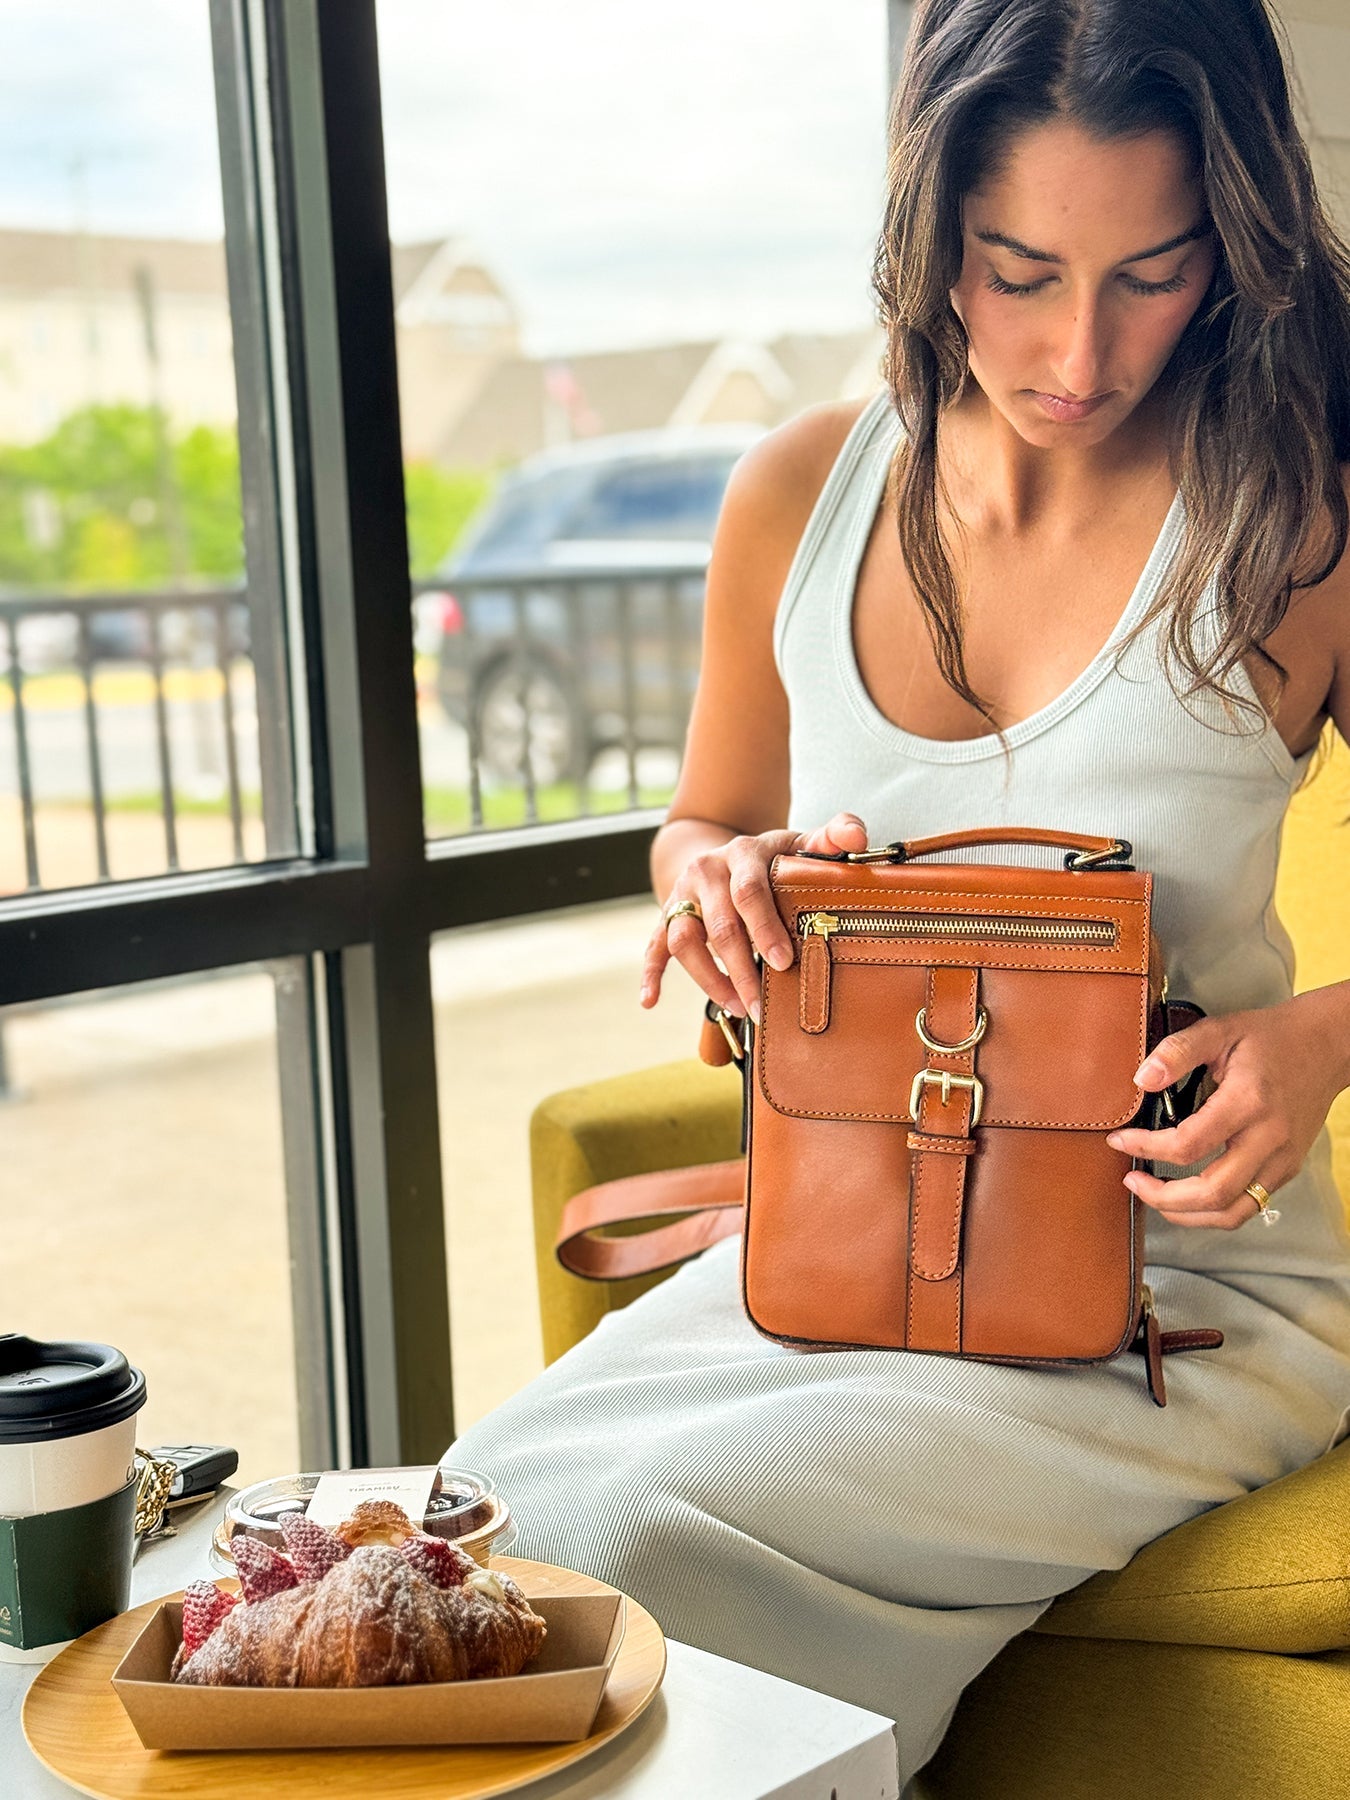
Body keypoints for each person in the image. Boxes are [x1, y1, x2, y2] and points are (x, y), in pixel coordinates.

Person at [448, 0, 1350, 1786]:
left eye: (1152, 274)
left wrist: (1321, 1037)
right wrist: (720, 884)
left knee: (637, 1551)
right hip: (836, 1252)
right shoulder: (799, 489)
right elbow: (702, 820)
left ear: (1229, 249)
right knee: (488, 1532)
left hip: (1177, 1292)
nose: (1078, 352)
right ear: (930, 235)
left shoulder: (1296, 521)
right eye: (1017, 273)